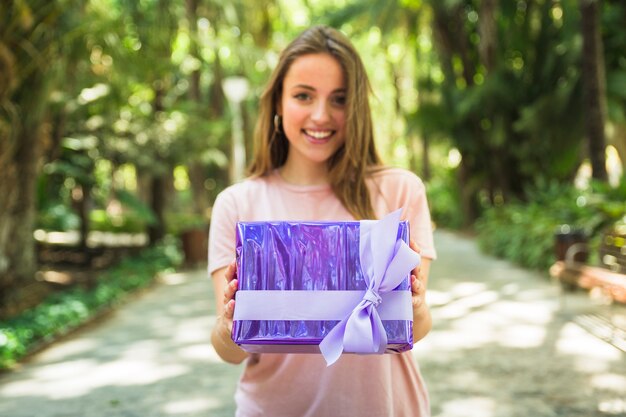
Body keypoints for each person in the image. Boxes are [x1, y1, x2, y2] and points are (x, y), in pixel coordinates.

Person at [208, 25, 436, 417]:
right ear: (278, 101)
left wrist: (414, 305)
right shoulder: (237, 203)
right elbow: (230, 350)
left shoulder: (400, 192)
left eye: (340, 99)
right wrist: (230, 323)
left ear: (358, 106)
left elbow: (415, 329)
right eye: (303, 95)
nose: (320, 115)